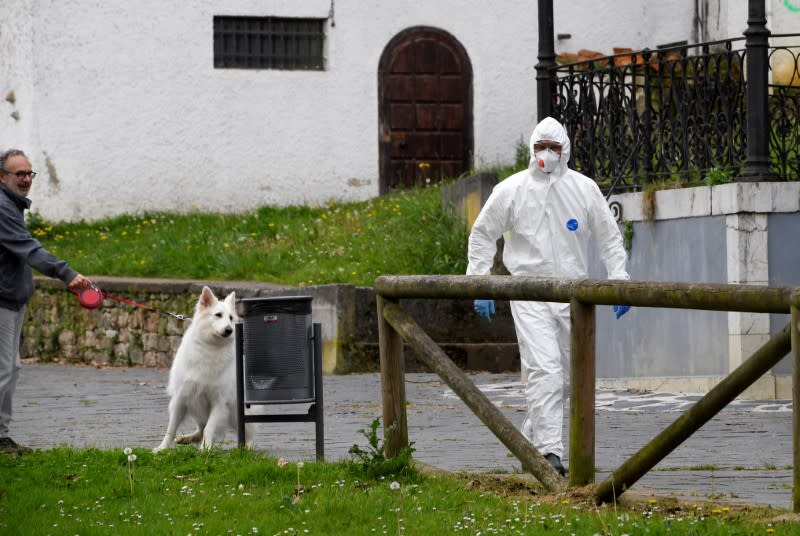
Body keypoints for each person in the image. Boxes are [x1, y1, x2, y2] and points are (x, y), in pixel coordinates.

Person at [467, 117, 630, 477]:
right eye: (540, 147)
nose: (546, 154)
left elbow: (608, 236)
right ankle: (550, 454)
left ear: (565, 150)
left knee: (573, 377)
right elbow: (482, 233)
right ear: (532, 149)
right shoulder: (512, 190)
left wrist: (619, 278)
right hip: (528, 291)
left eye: (553, 148)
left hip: (574, 295)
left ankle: (531, 440)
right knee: (545, 370)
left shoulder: (583, 190)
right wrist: (479, 280)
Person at [0, 148, 92, 455]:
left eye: (29, 173)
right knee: (3, 371)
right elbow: (29, 248)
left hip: (13, 302)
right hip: (2, 302)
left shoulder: (11, 205)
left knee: (10, 370)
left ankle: (2, 437)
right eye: (19, 174)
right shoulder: (2, 207)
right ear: (2, 177)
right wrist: (66, 273)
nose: (26, 179)